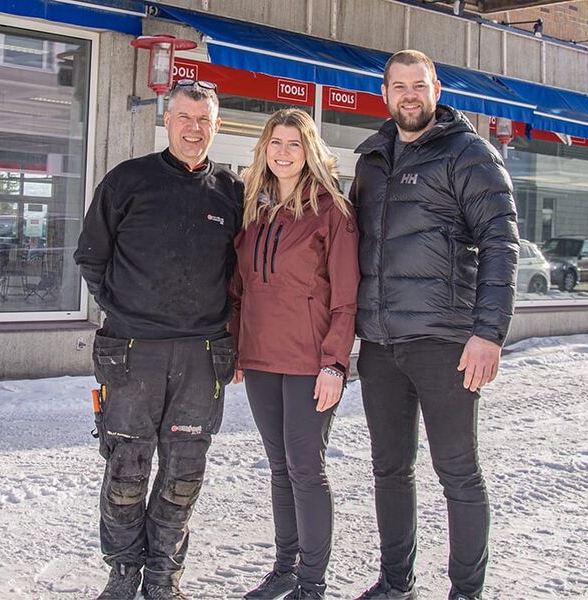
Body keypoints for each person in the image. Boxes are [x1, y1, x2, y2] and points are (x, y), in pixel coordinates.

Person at [350, 50, 519, 600]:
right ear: (385, 94)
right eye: (398, 86)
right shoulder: (371, 160)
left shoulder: (468, 153)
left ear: (436, 89)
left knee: (457, 473)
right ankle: (396, 584)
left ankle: (465, 591)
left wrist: (489, 331)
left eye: (418, 85)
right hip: (379, 343)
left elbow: (501, 241)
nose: (409, 95)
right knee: (389, 470)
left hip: (446, 341)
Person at [74, 79, 243, 600]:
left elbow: (243, 276)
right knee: (126, 471)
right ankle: (123, 575)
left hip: (201, 357)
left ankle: (164, 578)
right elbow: (91, 257)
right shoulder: (128, 181)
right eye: (185, 118)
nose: (194, 128)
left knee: (184, 474)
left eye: (204, 120)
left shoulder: (232, 193)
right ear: (166, 121)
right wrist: (127, 312)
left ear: (217, 126)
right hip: (131, 353)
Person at [227, 108, 359, 600]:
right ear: (264, 150)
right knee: (278, 467)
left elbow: (346, 299)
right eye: (275, 143)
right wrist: (238, 346)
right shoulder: (253, 211)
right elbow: (240, 288)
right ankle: (284, 569)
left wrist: (335, 363)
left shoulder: (333, 212)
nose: (283, 152)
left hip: (310, 361)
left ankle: (312, 582)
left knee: (306, 468)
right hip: (261, 356)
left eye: (294, 144)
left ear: (310, 152)